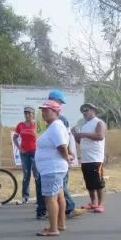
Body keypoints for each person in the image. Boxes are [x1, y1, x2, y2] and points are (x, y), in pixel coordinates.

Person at [34, 90, 85, 220]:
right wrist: (68, 155)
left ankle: (44, 211)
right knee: (56, 191)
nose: (61, 105)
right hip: (53, 159)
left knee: (51, 191)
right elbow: (63, 142)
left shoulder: (40, 116)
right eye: (60, 102)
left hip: (49, 159)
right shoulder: (59, 119)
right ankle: (67, 211)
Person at [34, 99, 73, 236]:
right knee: (59, 196)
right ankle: (60, 224)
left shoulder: (56, 126)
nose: (44, 112)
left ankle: (53, 228)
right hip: (53, 167)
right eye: (43, 110)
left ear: (56, 112)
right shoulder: (54, 126)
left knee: (50, 198)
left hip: (52, 168)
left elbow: (61, 146)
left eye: (47, 110)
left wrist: (66, 157)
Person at [72, 103, 107, 212]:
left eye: (86, 110)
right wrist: (76, 135)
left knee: (98, 182)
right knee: (89, 183)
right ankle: (93, 202)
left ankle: (100, 204)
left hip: (96, 158)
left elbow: (100, 136)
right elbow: (80, 141)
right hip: (85, 158)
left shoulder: (99, 122)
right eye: (83, 111)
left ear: (93, 110)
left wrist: (84, 134)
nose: (84, 113)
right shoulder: (84, 125)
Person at [13, 106, 38, 206]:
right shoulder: (20, 125)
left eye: (29, 113)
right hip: (24, 153)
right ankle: (25, 197)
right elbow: (15, 138)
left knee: (37, 175)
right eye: (26, 113)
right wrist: (19, 148)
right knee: (26, 175)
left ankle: (40, 198)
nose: (27, 115)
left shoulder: (36, 125)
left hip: (35, 152)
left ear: (33, 114)